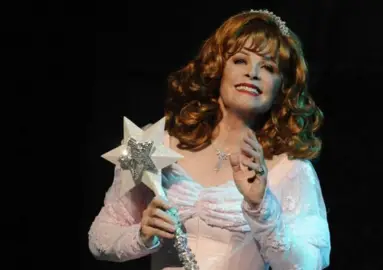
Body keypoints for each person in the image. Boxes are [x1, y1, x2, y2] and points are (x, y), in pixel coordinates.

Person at [88, 9, 331, 270]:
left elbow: (310, 264)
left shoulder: (290, 169)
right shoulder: (156, 147)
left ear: (281, 87)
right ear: (218, 68)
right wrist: (141, 236)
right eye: (240, 60)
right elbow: (99, 238)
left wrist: (262, 207)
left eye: (269, 67)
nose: (253, 73)